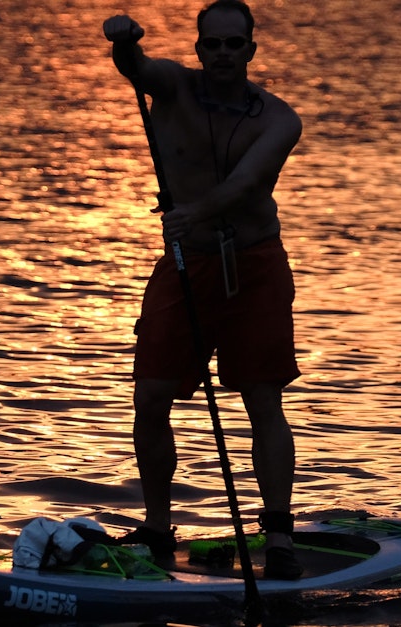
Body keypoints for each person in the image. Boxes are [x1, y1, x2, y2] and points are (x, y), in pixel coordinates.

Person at [102, 0, 305, 580]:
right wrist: (124, 42)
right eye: (211, 44)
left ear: (250, 50)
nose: (221, 54)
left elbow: (247, 184)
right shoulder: (173, 87)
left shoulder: (279, 119)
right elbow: (137, 69)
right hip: (186, 265)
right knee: (150, 397)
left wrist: (193, 213)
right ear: (198, 49)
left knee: (262, 399)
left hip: (255, 265)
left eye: (232, 44)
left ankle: (280, 533)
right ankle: (158, 526)